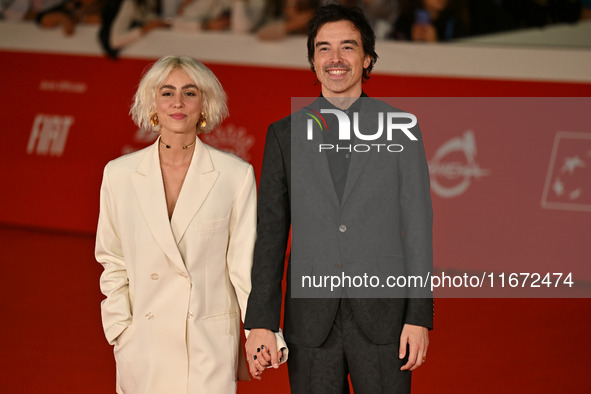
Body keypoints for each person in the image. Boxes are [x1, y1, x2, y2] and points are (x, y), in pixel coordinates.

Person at [244, 4, 433, 393]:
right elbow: (271, 236)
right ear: (312, 61)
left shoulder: (402, 130)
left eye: (348, 47)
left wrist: (418, 316)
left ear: (367, 58)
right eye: (323, 48)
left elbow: (418, 230)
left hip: (386, 321)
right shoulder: (284, 135)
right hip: (310, 324)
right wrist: (261, 320)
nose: (335, 59)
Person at [95, 55, 285, 393]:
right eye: (167, 92)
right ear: (152, 103)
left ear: (205, 104)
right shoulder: (119, 174)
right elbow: (112, 259)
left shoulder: (234, 176)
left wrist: (261, 329)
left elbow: (243, 267)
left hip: (207, 346)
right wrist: (120, 327)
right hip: (142, 346)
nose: (178, 102)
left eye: (190, 92)